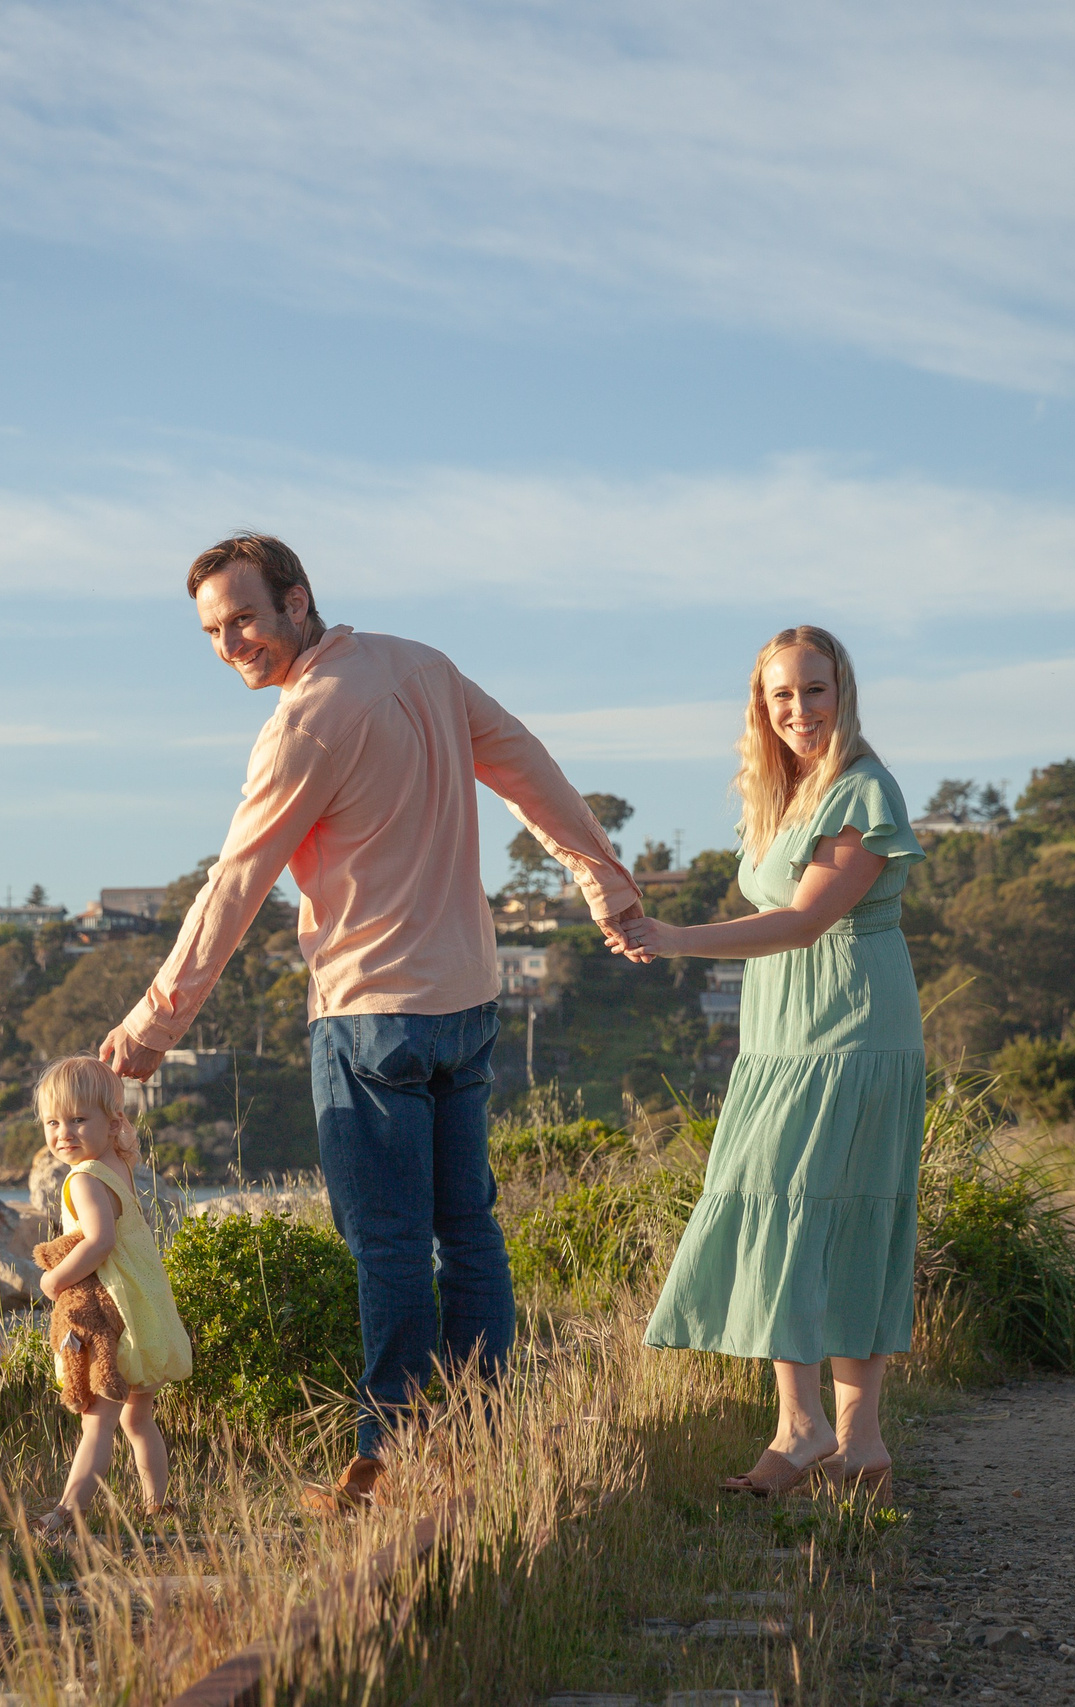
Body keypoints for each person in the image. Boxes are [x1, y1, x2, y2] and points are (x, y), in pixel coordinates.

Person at [98, 533, 638, 1514]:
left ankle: (387, 1464)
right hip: (468, 1006)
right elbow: (526, 764)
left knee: (387, 1244)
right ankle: (481, 1439)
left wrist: (156, 1018)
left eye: (246, 619)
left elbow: (235, 884)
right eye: (213, 632)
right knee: (465, 1230)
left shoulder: (305, 723)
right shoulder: (420, 667)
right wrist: (598, 872)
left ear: (297, 600)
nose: (232, 644)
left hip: (370, 1019)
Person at [613, 625, 924, 1501]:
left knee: (835, 1215)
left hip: (851, 1026)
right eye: (780, 695)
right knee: (782, 1208)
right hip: (780, 1031)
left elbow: (803, 920)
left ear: (843, 691)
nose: (799, 710)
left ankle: (834, 1432)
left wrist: (674, 939)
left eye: (814, 691)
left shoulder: (864, 788)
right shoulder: (778, 793)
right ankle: (830, 1437)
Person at [33, 1055, 193, 1535]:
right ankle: (158, 1506)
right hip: (145, 1312)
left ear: (113, 1120)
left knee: (96, 1423)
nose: (65, 1133)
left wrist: (55, 1280)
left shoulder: (82, 1179)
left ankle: (65, 1515)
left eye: (80, 1119)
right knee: (137, 1421)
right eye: (53, 1122)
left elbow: (99, 1242)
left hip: (113, 1319)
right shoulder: (116, 1164)